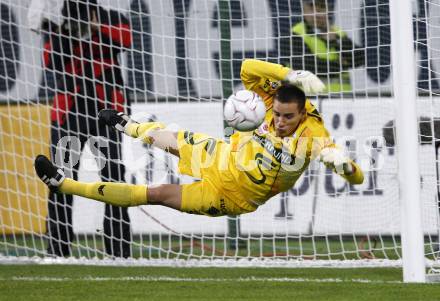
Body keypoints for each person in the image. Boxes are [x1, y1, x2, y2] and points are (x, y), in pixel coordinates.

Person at [34, 59, 363, 219]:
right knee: (169, 137)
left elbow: (356, 176)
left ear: (303, 114)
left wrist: (344, 166)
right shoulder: (273, 101)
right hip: (221, 156)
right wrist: (287, 75)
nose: (278, 121)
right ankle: (125, 124)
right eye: (275, 113)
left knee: (158, 193)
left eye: (287, 117)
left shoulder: (315, 135)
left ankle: (63, 185)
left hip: (233, 195)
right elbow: (248, 68)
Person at [40, 0, 132, 257]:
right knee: (61, 180)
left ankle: (119, 252)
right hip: (70, 113)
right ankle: (57, 250)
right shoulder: (60, 25)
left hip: (106, 114)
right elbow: (50, 61)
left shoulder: (111, 17)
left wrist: (96, 26)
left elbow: (126, 39)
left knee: (113, 180)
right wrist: (67, 31)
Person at [288, 0, 365, 93]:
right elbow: (306, 66)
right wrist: (342, 65)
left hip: (342, 98)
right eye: (312, 8)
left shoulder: (337, 33)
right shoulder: (296, 33)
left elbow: (359, 58)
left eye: (321, 8)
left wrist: (334, 41)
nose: (317, 13)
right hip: (310, 98)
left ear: (328, 10)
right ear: (304, 10)